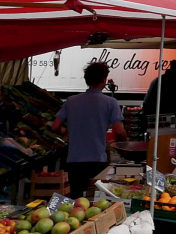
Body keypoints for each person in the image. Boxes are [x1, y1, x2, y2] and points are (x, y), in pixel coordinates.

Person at [51, 61, 127, 199]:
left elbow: (55, 126)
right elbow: (119, 131)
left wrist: (65, 132)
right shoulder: (110, 102)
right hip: (97, 160)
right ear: (104, 80)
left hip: (74, 160)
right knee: (97, 200)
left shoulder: (71, 101)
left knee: (76, 200)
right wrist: (125, 145)